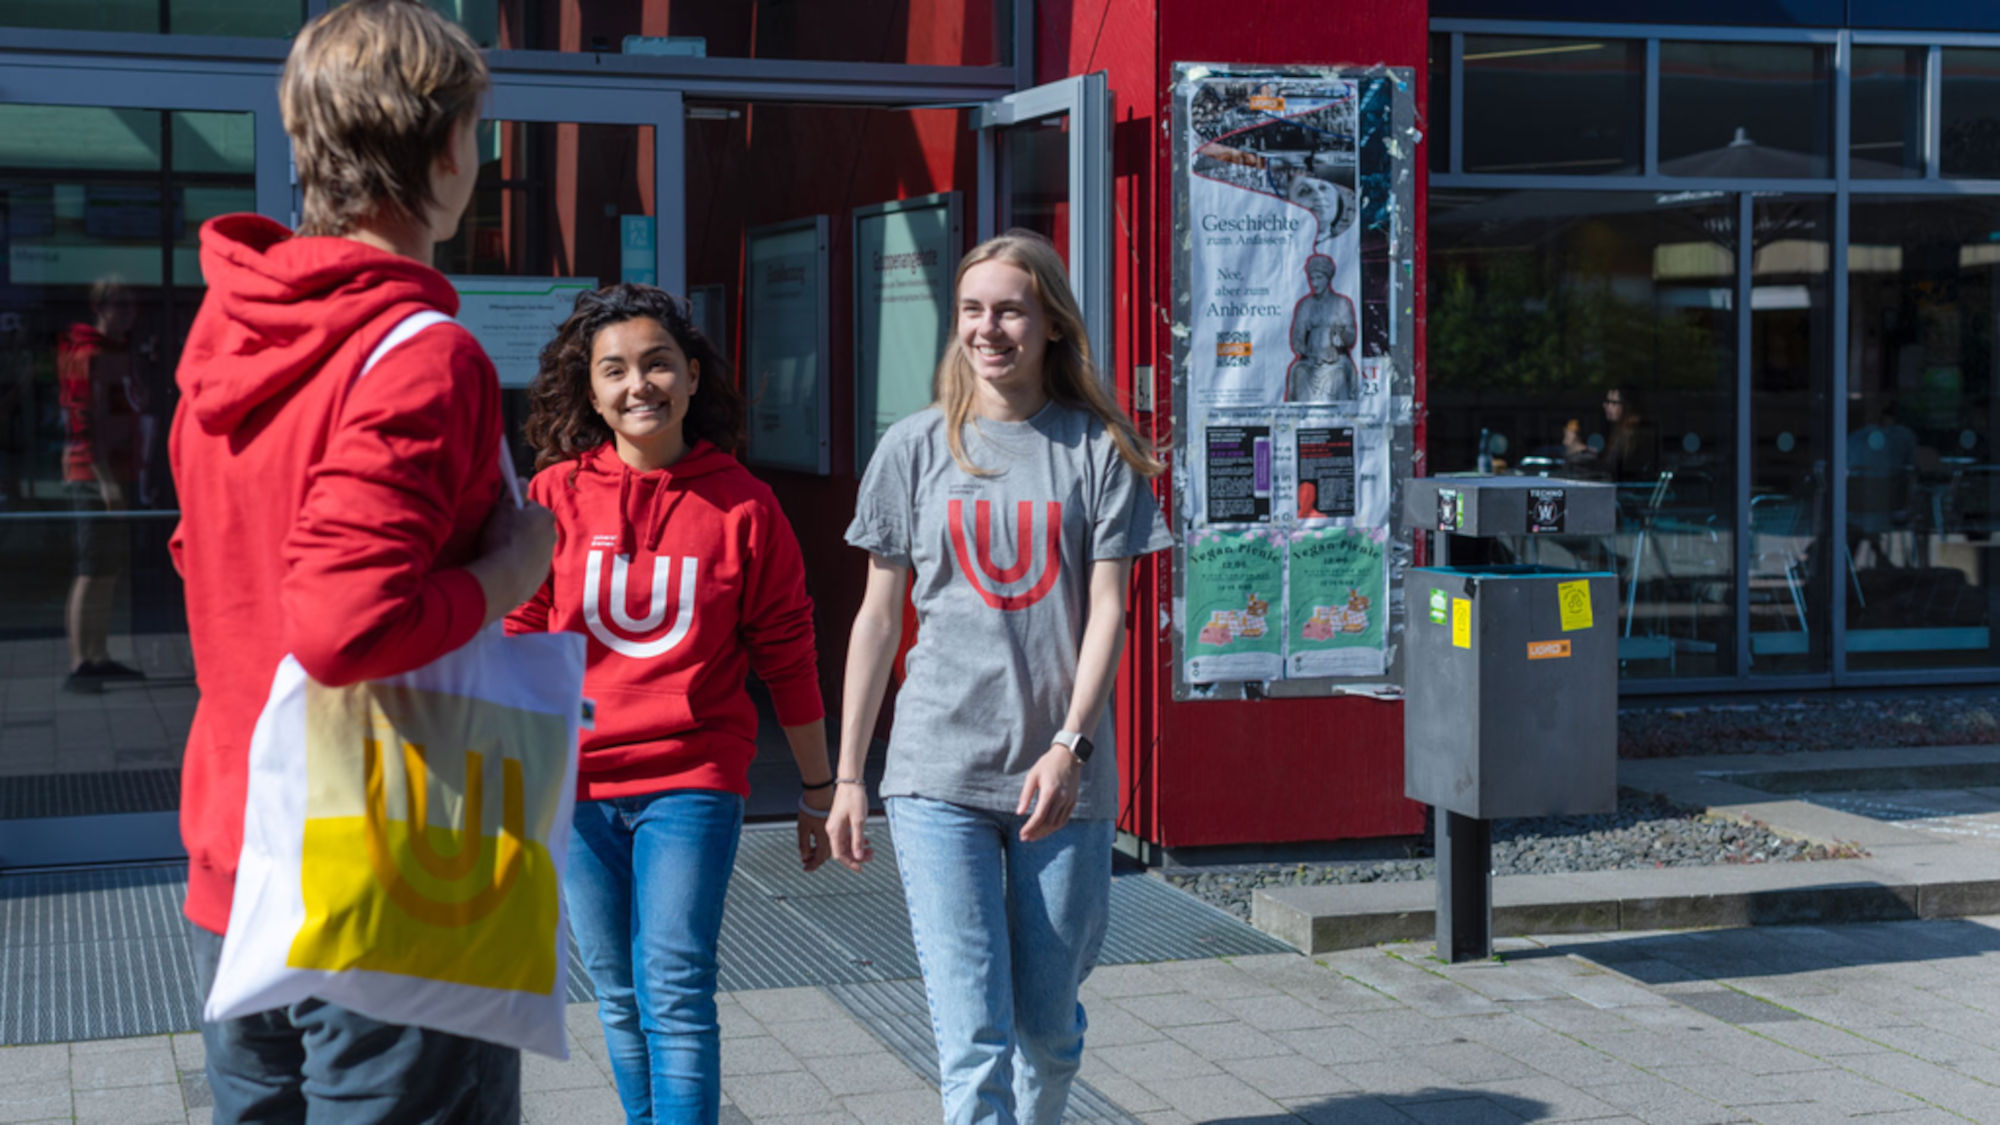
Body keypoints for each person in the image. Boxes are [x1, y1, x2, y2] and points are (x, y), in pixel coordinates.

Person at [168, 2, 553, 1120]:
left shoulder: (227, 334)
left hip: (242, 845)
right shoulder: (424, 359)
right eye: (475, 136)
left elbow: (205, 559)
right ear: (442, 150)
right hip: (390, 858)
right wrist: (508, 576)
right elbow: (342, 627)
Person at [827, 229, 1174, 1124]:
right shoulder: (912, 448)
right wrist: (850, 775)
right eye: (973, 310)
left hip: (1060, 775)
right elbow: (876, 620)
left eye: (1010, 309)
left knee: (1048, 1027)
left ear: (1051, 323)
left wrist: (1070, 744)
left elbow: (1110, 611)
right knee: (971, 1035)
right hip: (935, 767)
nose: (989, 329)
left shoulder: (1098, 449)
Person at [506, 283, 833, 1125]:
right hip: (577, 785)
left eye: (657, 363)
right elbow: (520, 633)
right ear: (589, 390)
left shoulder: (744, 505)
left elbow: (788, 652)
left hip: (693, 776)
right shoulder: (552, 498)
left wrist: (819, 786)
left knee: (676, 986)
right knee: (616, 992)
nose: (637, 385)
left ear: (692, 375)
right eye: (613, 370)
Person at [59, 276, 146, 693]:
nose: (128, 313)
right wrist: (106, 481)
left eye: (132, 305)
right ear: (100, 307)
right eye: (120, 305)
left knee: (108, 570)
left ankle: (98, 654)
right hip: (95, 477)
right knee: (91, 569)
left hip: (119, 473)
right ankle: (80, 662)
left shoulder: (120, 353)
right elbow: (83, 423)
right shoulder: (89, 353)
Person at [1564, 384, 1659, 484]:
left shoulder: (1634, 433)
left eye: (1612, 402)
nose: (1605, 405)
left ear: (1627, 406)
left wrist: (1583, 450)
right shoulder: (1619, 430)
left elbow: (1617, 469)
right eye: (1607, 402)